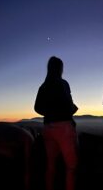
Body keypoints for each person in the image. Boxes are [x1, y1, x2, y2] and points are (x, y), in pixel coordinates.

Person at [34, 56, 78, 190]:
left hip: (48, 127)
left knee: (51, 164)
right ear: (60, 68)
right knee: (72, 166)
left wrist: (49, 113)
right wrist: (72, 109)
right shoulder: (63, 83)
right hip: (64, 126)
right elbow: (68, 104)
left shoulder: (43, 86)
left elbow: (37, 108)